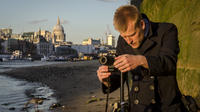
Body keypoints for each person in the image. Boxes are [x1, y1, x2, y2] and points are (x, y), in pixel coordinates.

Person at [97, 5, 187, 112]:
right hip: (138, 107)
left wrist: (140, 60)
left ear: (142, 24)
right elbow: (119, 75)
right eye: (124, 36)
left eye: (132, 35)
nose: (128, 41)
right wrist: (106, 79)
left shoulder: (167, 30)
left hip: (166, 105)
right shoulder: (122, 41)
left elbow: (169, 63)